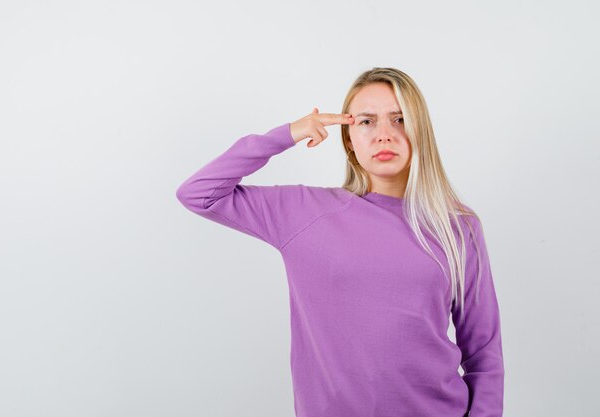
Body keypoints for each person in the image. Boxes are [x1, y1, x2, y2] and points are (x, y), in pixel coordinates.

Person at [176, 67, 505, 417]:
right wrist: (288, 134)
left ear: (419, 131)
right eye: (366, 121)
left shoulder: (456, 226)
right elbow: (199, 194)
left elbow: (484, 351)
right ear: (349, 138)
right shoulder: (303, 214)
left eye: (399, 119)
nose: (384, 135)